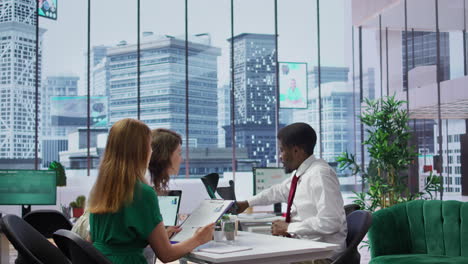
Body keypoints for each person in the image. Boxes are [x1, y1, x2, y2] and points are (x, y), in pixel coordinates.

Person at [88, 119, 214, 264]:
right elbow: (166, 255)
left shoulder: (101, 188)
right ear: (140, 151)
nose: (151, 151)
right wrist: (199, 238)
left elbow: (93, 240)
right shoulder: (143, 193)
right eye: (149, 145)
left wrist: (154, 237)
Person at [236, 123, 347, 264]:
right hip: (307, 248)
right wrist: (247, 203)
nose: (280, 156)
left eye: (282, 150)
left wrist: (289, 227)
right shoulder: (301, 174)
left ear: (296, 151)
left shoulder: (320, 174)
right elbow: (277, 191)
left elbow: (331, 222)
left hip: (323, 255)